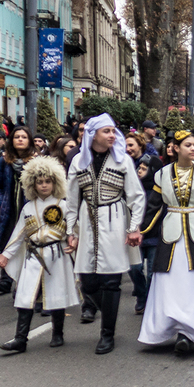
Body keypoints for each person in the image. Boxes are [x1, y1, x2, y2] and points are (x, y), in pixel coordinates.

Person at [65, 113, 146, 355]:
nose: (112, 135)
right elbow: (71, 200)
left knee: (111, 281)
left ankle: (107, 333)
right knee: (88, 282)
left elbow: (136, 196)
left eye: (113, 131)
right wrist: (71, 229)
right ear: (93, 134)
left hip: (115, 219)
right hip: (87, 220)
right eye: (106, 131)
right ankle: (108, 313)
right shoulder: (79, 161)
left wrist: (133, 227)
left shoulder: (123, 161)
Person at [0, 157, 77, 353]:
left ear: (56, 182)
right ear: (32, 184)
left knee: (56, 296)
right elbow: (18, 235)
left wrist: (74, 241)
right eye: (39, 182)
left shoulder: (64, 206)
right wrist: (5, 255)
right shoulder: (28, 207)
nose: (44, 185)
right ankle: (20, 339)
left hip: (57, 255)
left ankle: (58, 333)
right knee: (25, 296)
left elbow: (74, 230)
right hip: (33, 256)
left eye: (48, 181)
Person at [0, 126, 35, 296]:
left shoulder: (35, 161)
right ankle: (6, 279)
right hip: (9, 210)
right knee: (8, 243)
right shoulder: (4, 160)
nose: (20, 139)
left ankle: (22, 284)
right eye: (17, 137)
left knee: (26, 245)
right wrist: (1, 202)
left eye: (24, 136)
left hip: (29, 209)